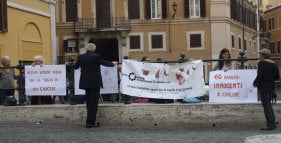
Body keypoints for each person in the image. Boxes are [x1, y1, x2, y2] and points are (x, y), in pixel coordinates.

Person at [75, 43, 116, 128]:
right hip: (95, 83)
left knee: (89, 102)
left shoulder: (81, 57)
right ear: (94, 49)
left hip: (85, 83)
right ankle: (90, 122)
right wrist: (113, 63)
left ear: (86, 49)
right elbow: (104, 63)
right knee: (94, 103)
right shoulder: (96, 56)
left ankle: (90, 121)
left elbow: (75, 67)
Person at [253, 48, 280, 130]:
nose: (259, 55)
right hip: (271, 86)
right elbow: (277, 77)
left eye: (260, 54)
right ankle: (272, 122)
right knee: (269, 104)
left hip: (264, 86)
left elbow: (260, 75)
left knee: (266, 105)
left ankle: (270, 124)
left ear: (264, 55)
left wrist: (255, 82)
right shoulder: (274, 63)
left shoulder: (261, 63)